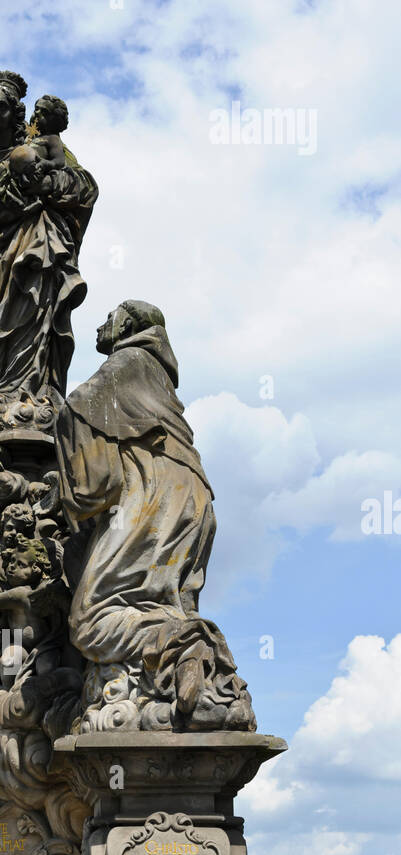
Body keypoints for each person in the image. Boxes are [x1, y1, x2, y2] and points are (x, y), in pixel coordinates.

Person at [55, 299, 256, 731]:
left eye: (110, 317)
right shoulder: (157, 377)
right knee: (163, 603)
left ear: (129, 325)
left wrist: (64, 499)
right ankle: (198, 669)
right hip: (196, 495)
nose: (100, 325)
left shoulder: (124, 363)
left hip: (154, 496)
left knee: (92, 619)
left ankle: (183, 646)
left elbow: (94, 484)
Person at [0, 72, 97, 400]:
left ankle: (23, 391)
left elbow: (85, 186)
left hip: (34, 237)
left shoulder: (37, 143)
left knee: (28, 303)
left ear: (15, 111)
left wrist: (46, 185)